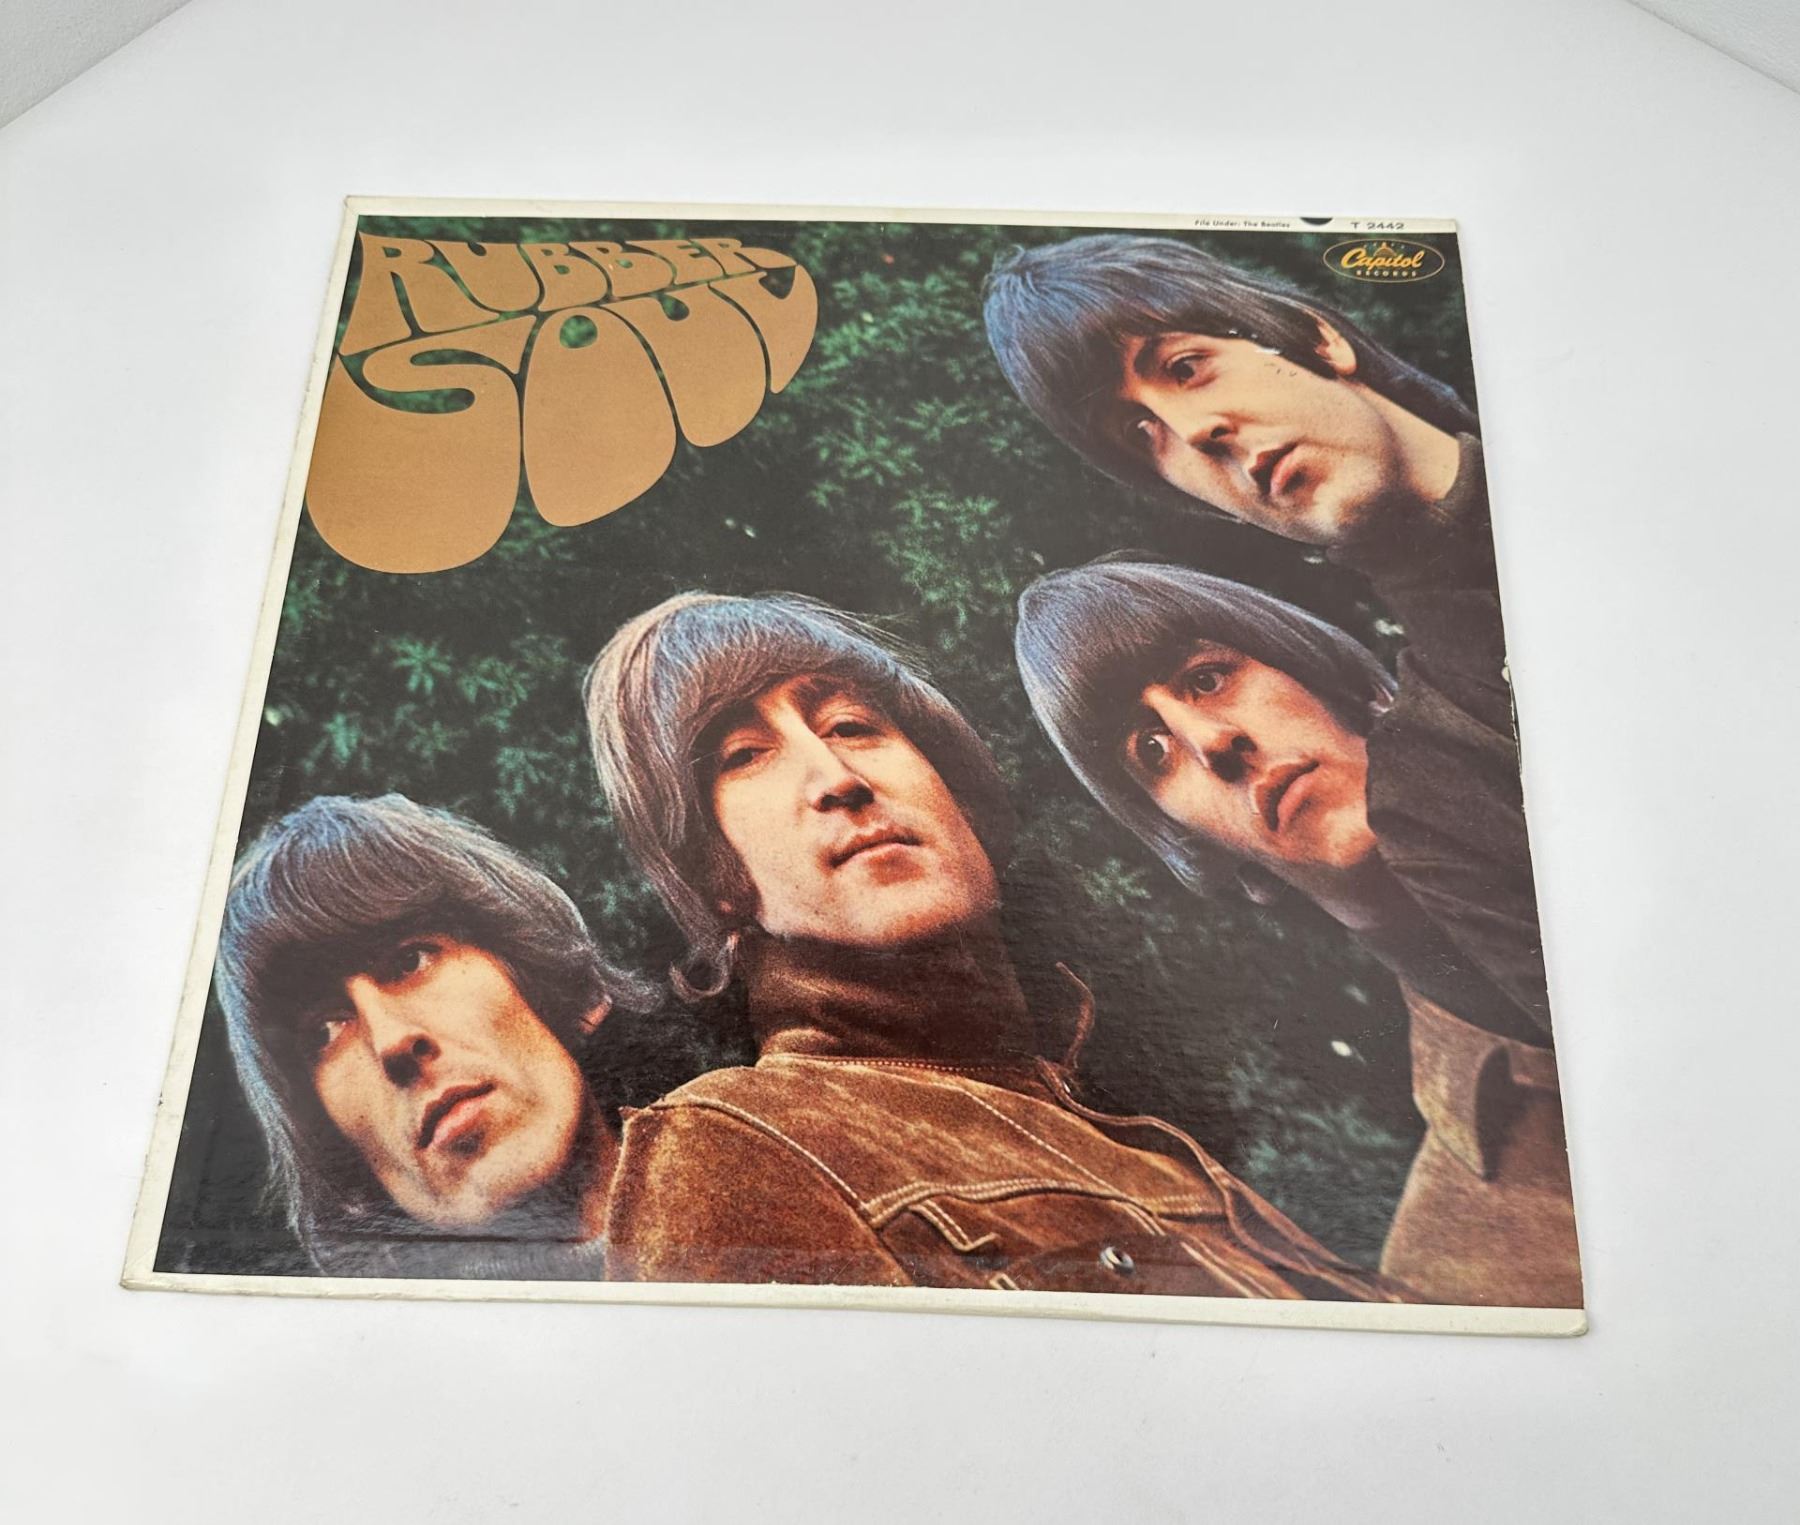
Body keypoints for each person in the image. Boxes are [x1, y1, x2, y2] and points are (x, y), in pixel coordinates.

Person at [582, 590, 1412, 1302]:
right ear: (719, 879)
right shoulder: (735, 1146)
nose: (837, 777)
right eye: (745, 756)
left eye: (853, 725)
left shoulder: (1134, 1139)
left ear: (959, 797)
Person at [1014, 559, 1580, 1308]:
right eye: (1152, 752)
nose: (1211, 741)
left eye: (1207, 678)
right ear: (1193, 842)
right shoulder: (1457, 1259)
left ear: (1319, 671)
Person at [214, 792, 657, 1276]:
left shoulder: (722, 1140)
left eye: (410, 961)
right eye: (324, 1032)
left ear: (537, 973)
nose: (391, 1041)